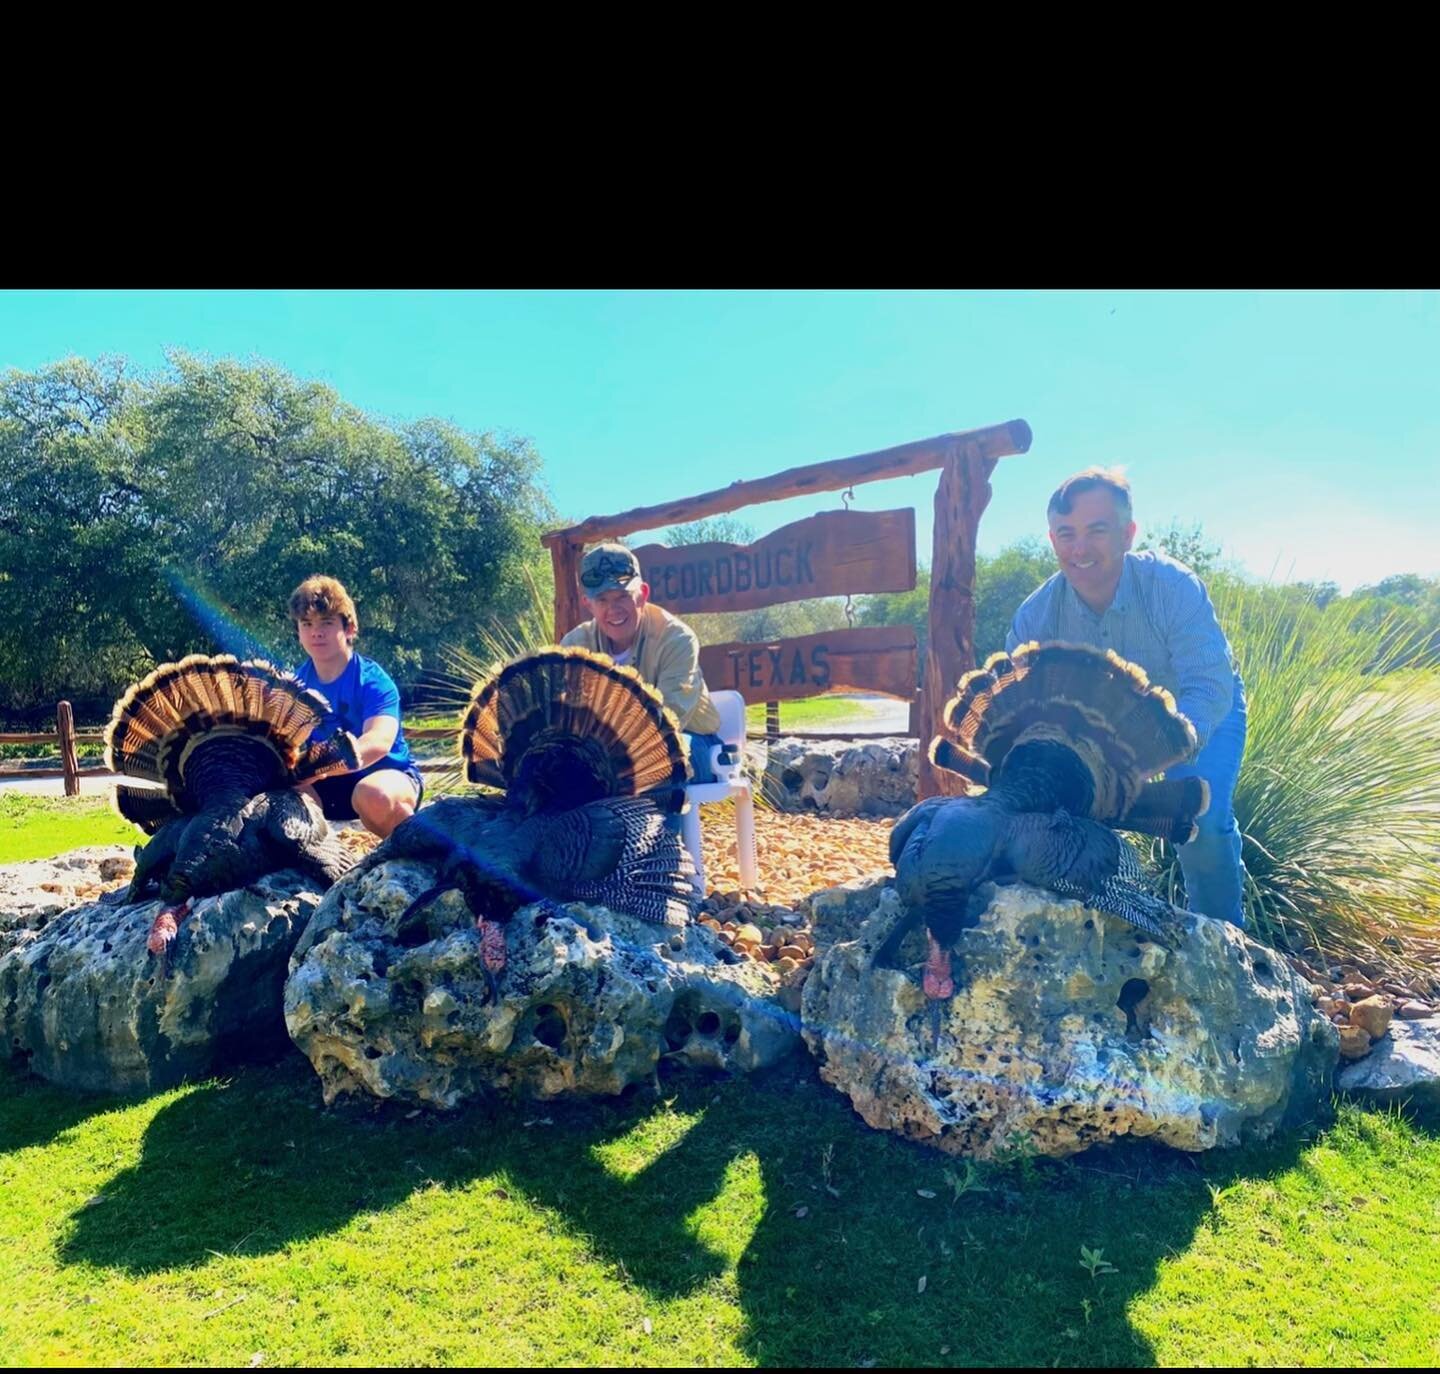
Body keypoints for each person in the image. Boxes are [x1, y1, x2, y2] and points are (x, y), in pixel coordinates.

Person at [1005, 468, 1247, 926]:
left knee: (1205, 821)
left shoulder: (1171, 586)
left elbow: (1209, 685)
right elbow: (1021, 713)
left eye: (1097, 530)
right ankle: (1106, 934)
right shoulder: (1035, 617)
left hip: (1199, 713)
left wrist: (1161, 750)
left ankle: (1223, 943)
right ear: (1052, 540)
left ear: (1128, 533)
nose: (1080, 549)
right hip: (1103, 734)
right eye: (1066, 534)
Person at [559, 543, 726, 783]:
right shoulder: (574, 645)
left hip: (691, 739)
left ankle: (657, 822)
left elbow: (669, 719)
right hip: (606, 752)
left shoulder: (676, 638)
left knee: (660, 766)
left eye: (622, 596)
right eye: (602, 600)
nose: (613, 609)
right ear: (588, 604)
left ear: (643, 595)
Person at [288, 574, 423, 838]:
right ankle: (323, 851)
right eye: (307, 623)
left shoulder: (373, 681)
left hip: (386, 776)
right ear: (299, 632)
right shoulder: (294, 685)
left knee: (374, 795)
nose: (316, 632)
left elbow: (378, 742)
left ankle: (419, 849)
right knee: (276, 790)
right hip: (326, 789)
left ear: (349, 629)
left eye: (326, 622)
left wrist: (318, 768)